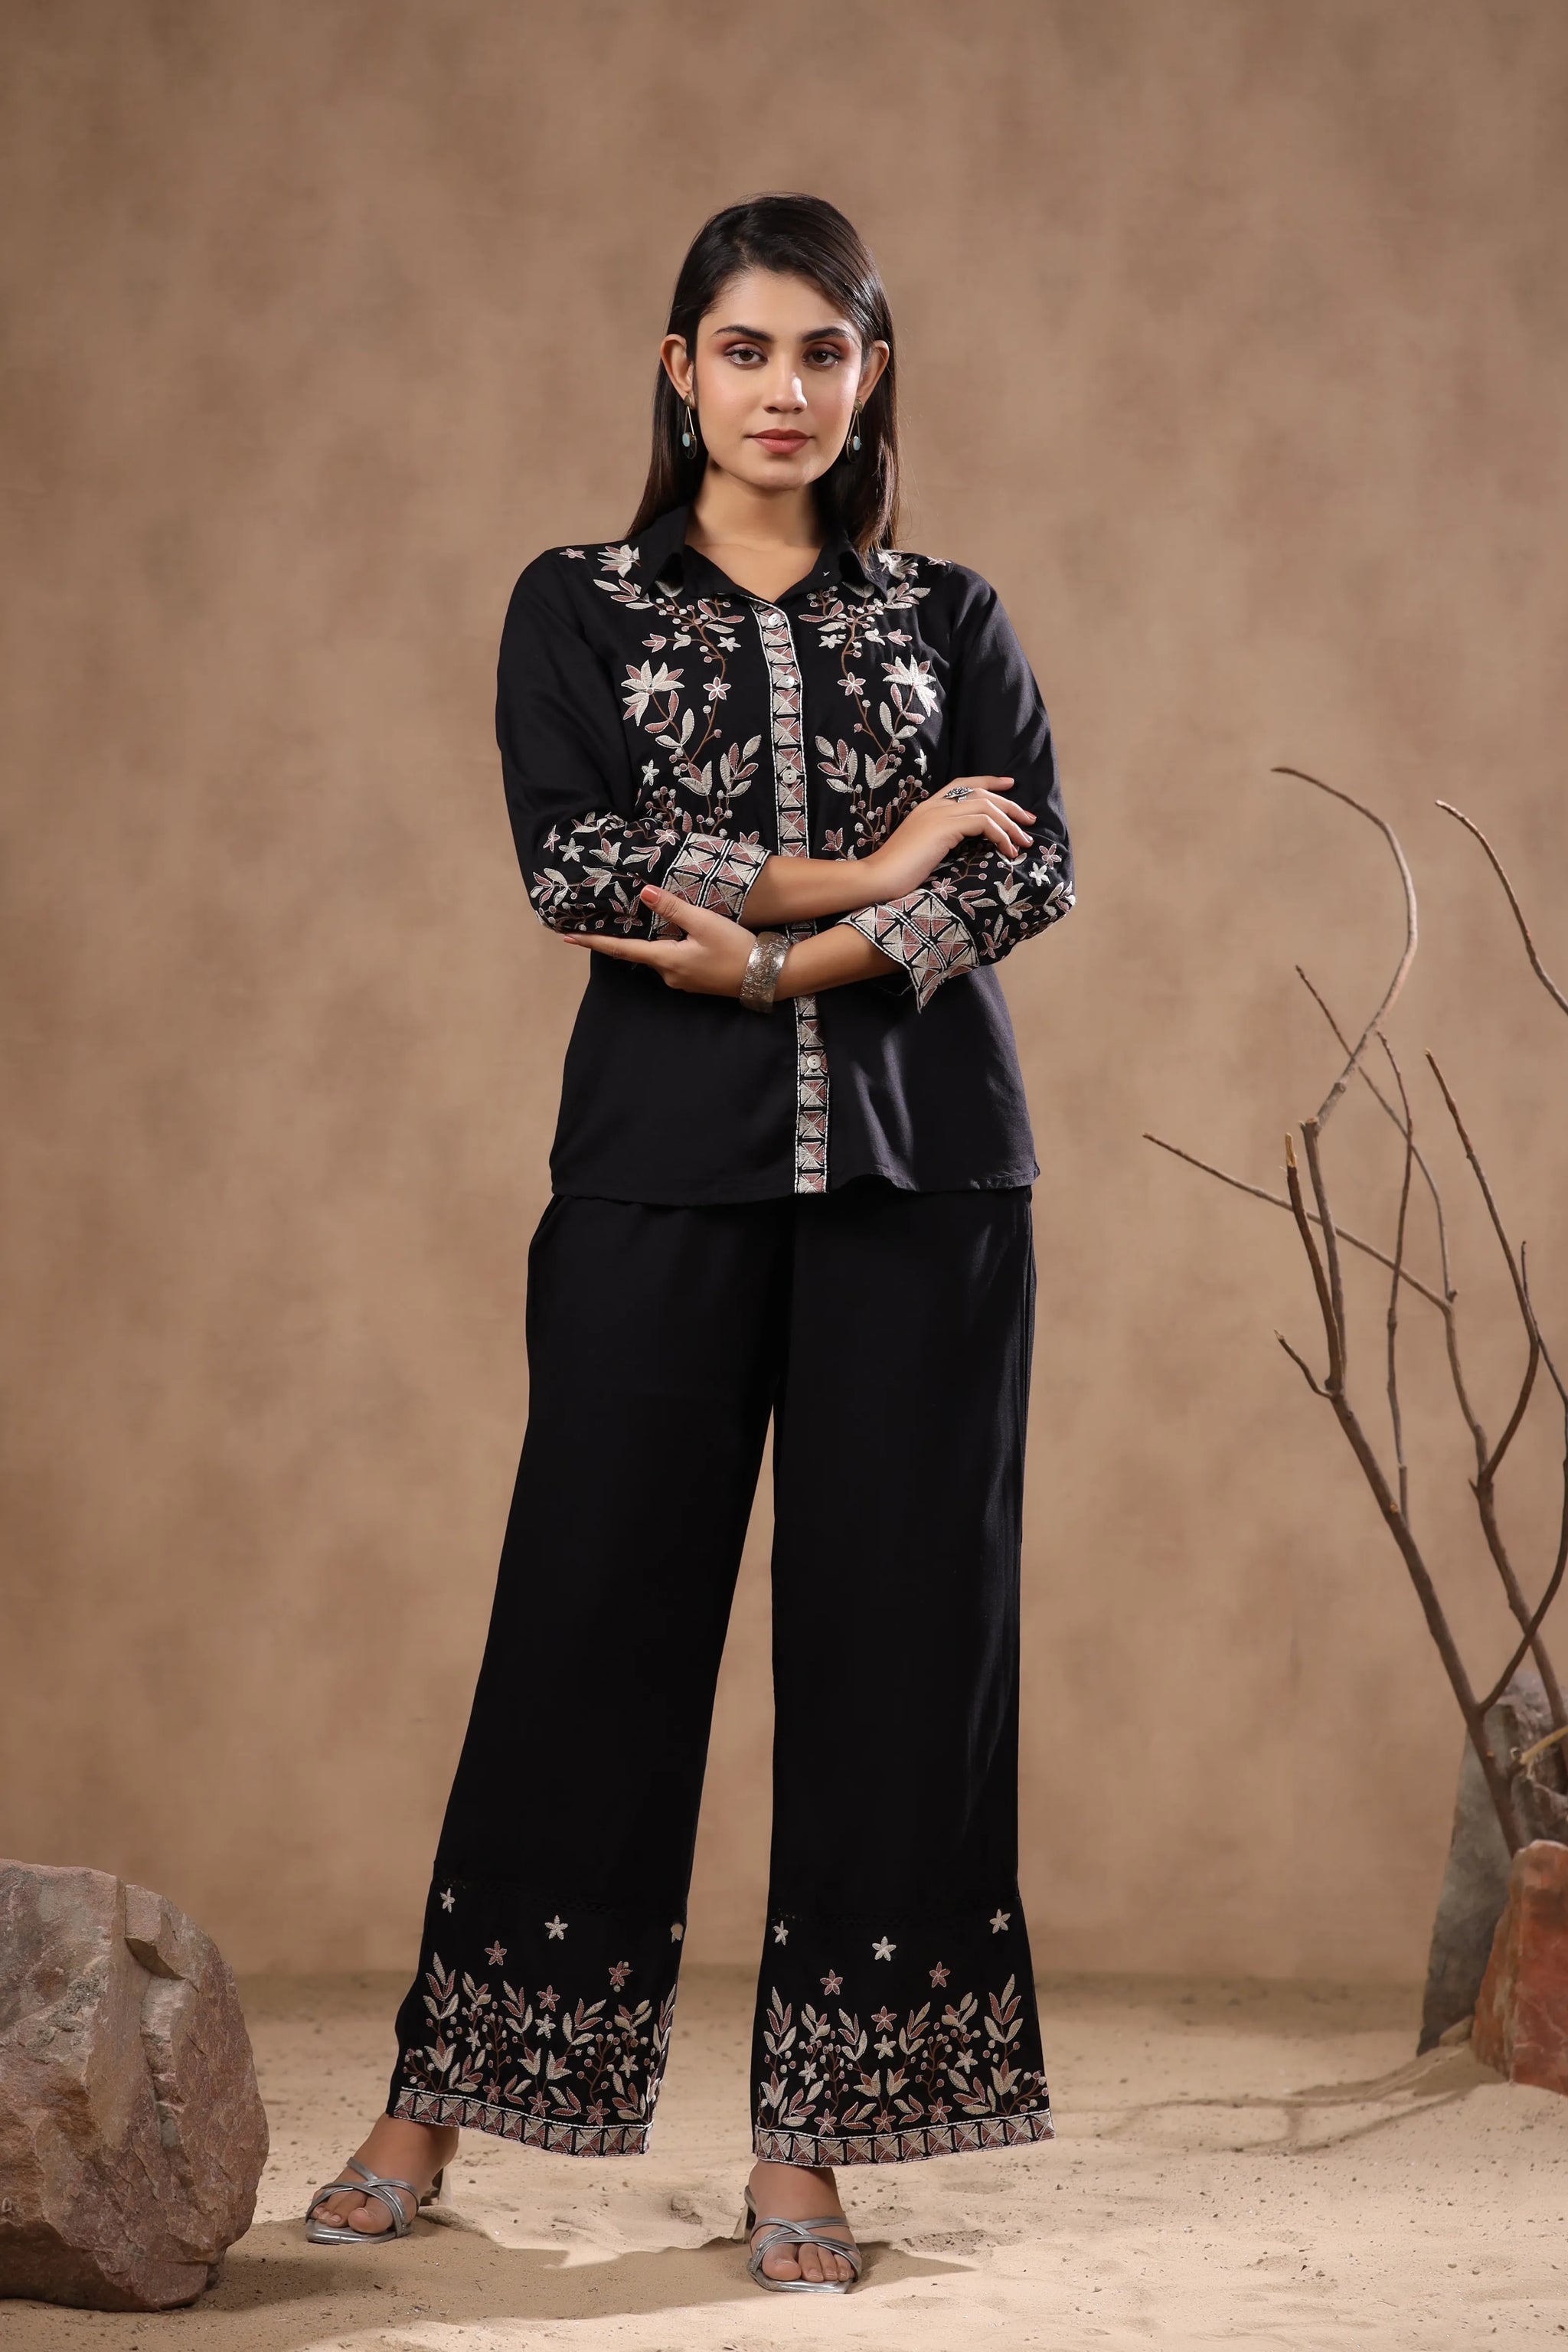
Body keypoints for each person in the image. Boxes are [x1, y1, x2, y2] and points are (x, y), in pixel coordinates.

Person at [305, 191, 1073, 2296]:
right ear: (680, 371)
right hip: (656, 1179)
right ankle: (438, 2098)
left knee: (899, 1649)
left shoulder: (949, 612)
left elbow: (1025, 876)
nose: (784, 391)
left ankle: (810, 2147)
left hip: (932, 1187)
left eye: (824, 352)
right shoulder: (578, 605)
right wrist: (881, 861)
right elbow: (590, 865)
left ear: (871, 378)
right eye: (746, 350)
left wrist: (773, 963)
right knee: (589, 1620)